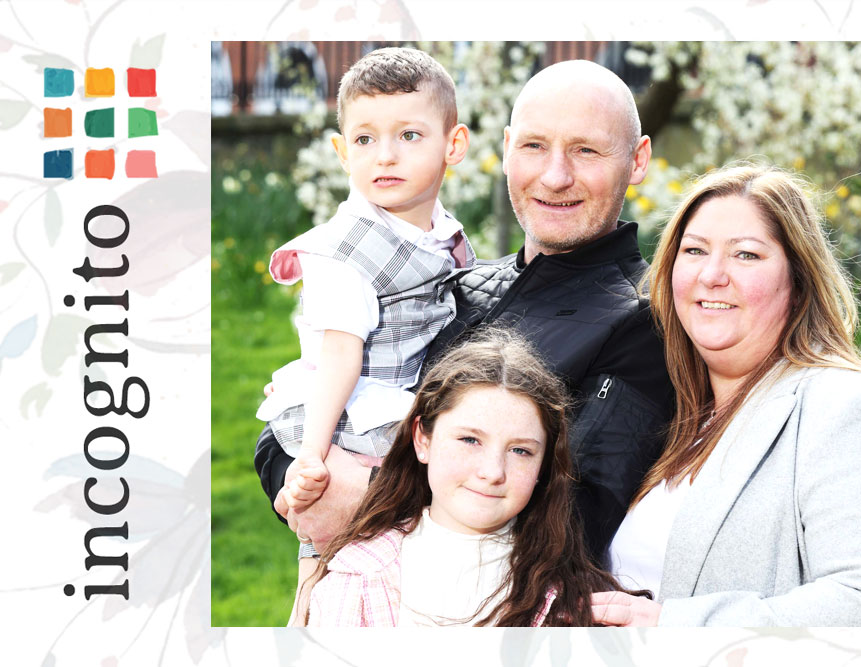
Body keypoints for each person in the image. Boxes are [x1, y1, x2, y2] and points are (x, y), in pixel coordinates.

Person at [255, 59, 674, 569]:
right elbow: (296, 422)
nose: (555, 175)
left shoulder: (644, 325)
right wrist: (297, 482)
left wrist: (365, 497)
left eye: (585, 150)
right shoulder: (455, 281)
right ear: (504, 150)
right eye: (534, 146)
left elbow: (574, 522)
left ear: (637, 159)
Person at [594, 163, 861, 626]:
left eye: (746, 255)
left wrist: (672, 628)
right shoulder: (670, 414)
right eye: (694, 250)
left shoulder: (852, 408)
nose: (712, 275)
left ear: (799, 280)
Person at [254, 46, 474, 551]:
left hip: (391, 402)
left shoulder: (441, 233)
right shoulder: (343, 254)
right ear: (342, 151)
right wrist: (312, 455)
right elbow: (339, 354)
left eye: (409, 135)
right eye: (365, 139)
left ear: (453, 144)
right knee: (356, 535)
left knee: (360, 553)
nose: (386, 155)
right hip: (351, 412)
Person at [302, 329, 642, 626]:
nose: (493, 472)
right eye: (470, 440)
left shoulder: (579, 603)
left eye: (520, 451)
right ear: (423, 439)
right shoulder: (352, 580)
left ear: (544, 466)